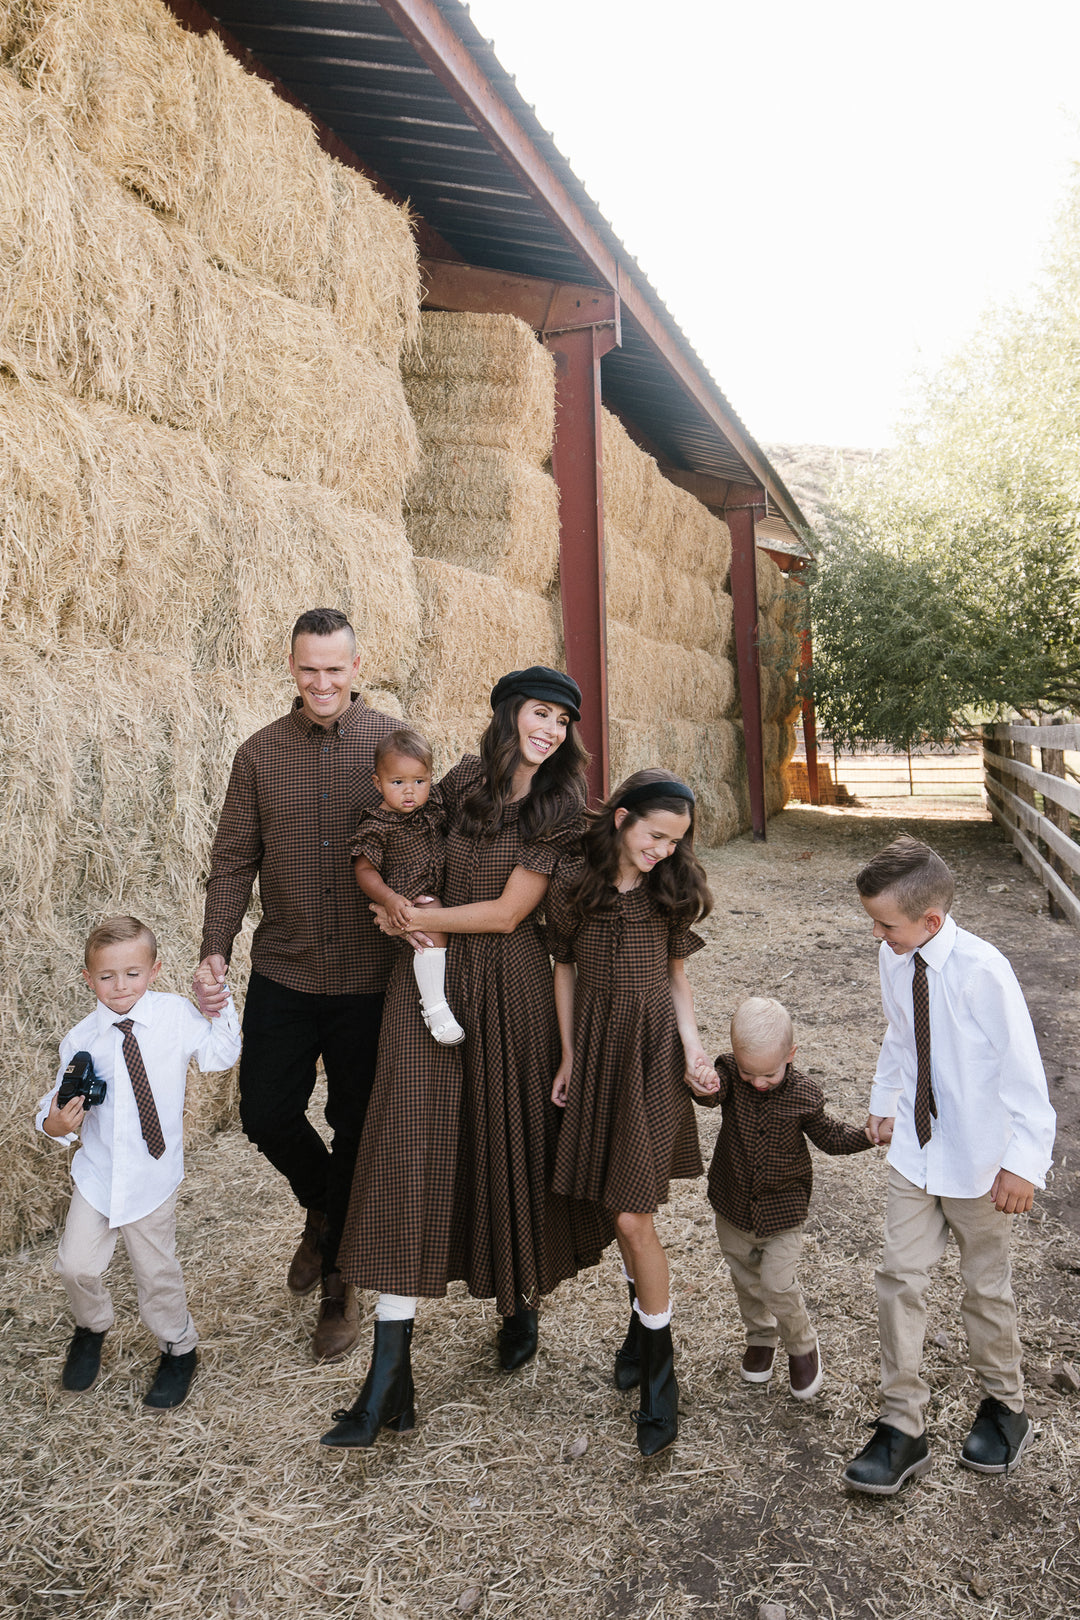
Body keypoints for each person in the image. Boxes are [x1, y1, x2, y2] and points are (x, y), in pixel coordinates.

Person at [321, 666, 612, 1450]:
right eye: (539, 714)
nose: (549, 730)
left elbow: (512, 911)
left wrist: (425, 918)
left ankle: (517, 1300)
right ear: (511, 713)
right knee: (404, 1152)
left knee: (503, 1140)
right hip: (428, 985)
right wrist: (392, 909)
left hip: (510, 983)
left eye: (562, 720)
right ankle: (391, 1375)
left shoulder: (561, 809)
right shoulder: (461, 780)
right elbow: (401, 840)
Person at [194, 607, 399, 1361]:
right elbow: (231, 863)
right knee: (264, 1112)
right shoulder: (257, 755)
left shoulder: (390, 743)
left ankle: (342, 1277)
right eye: (308, 668)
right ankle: (323, 1209)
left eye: (334, 669)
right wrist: (215, 950)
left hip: (367, 979)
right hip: (283, 966)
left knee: (354, 1123)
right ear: (291, 667)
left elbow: (424, 842)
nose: (322, 682)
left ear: (355, 665)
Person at [841, 836, 1056, 1495]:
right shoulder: (893, 956)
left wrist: (1022, 1163)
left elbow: (1025, 1073)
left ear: (930, 921)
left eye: (887, 923)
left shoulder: (984, 971)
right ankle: (902, 1426)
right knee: (897, 1277)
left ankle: (1005, 1406)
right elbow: (901, 1034)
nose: (878, 934)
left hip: (980, 1162)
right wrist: (884, 1102)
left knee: (984, 1288)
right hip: (916, 1151)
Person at [546, 769, 718, 1458]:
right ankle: (639, 1334)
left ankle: (661, 1374)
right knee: (615, 1201)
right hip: (596, 1051)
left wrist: (694, 1051)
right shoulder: (573, 887)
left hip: (650, 1054)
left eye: (675, 842)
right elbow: (562, 969)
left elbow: (678, 981)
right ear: (620, 819)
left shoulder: (671, 891)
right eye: (655, 836)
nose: (664, 852)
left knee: (630, 1212)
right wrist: (565, 1055)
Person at [36, 916, 241, 1409]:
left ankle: (178, 1347)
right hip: (99, 1175)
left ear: (154, 970)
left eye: (132, 973)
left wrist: (220, 1005)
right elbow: (55, 1105)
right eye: (106, 976)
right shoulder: (82, 1038)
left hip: (152, 1176)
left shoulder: (175, 1015)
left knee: (156, 1273)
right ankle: (91, 1325)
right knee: (75, 1266)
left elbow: (220, 1054)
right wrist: (55, 1125)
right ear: (88, 979)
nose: (119, 985)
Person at [700, 996, 874, 1403]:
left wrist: (866, 1137)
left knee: (777, 1283)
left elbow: (829, 1137)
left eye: (769, 1074)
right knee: (745, 1279)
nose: (758, 1082)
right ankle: (761, 1337)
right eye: (748, 1072)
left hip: (783, 1209)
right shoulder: (730, 1076)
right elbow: (710, 1096)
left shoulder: (804, 1094)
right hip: (732, 1202)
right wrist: (703, 1081)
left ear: (791, 1056)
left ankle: (801, 1343)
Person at [351, 726, 463, 1045]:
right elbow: (365, 871)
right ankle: (434, 1007)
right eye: (398, 783)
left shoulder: (433, 808)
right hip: (408, 901)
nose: (410, 791)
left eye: (419, 781)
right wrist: (389, 899)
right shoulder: (377, 825)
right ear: (378, 782)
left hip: (438, 890)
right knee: (434, 924)